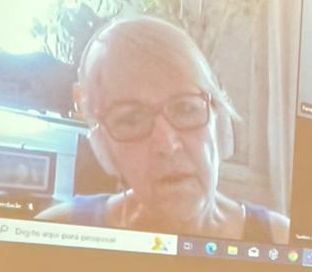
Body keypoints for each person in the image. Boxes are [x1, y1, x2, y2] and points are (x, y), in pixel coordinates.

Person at [36, 16, 289, 242]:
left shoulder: (281, 239)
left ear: (219, 123)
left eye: (185, 109)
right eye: (131, 119)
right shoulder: (57, 234)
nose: (167, 146)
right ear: (104, 148)